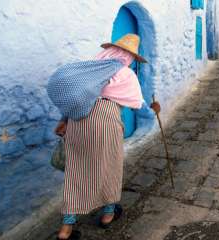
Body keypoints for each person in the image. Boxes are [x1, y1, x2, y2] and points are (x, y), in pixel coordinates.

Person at [53, 34, 160, 240]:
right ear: (129, 57)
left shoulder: (90, 70)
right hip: (106, 121)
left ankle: (65, 229)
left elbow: (77, 98)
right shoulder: (125, 75)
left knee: (76, 170)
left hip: (78, 121)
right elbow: (140, 109)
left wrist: (64, 120)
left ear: (110, 50)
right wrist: (154, 110)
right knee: (110, 166)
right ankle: (108, 215)